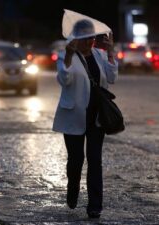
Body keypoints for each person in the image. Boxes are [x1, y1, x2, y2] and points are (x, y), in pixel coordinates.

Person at [52, 19, 118, 218]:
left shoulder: (99, 54)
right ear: (76, 37)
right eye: (85, 37)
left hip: (97, 117)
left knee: (95, 160)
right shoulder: (65, 55)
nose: (90, 41)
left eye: (92, 37)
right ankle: (73, 190)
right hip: (74, 115)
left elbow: (112, 78)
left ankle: (95, 206)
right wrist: (70, 56)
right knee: (76, 160)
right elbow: (65, 80)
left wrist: (111, 53)